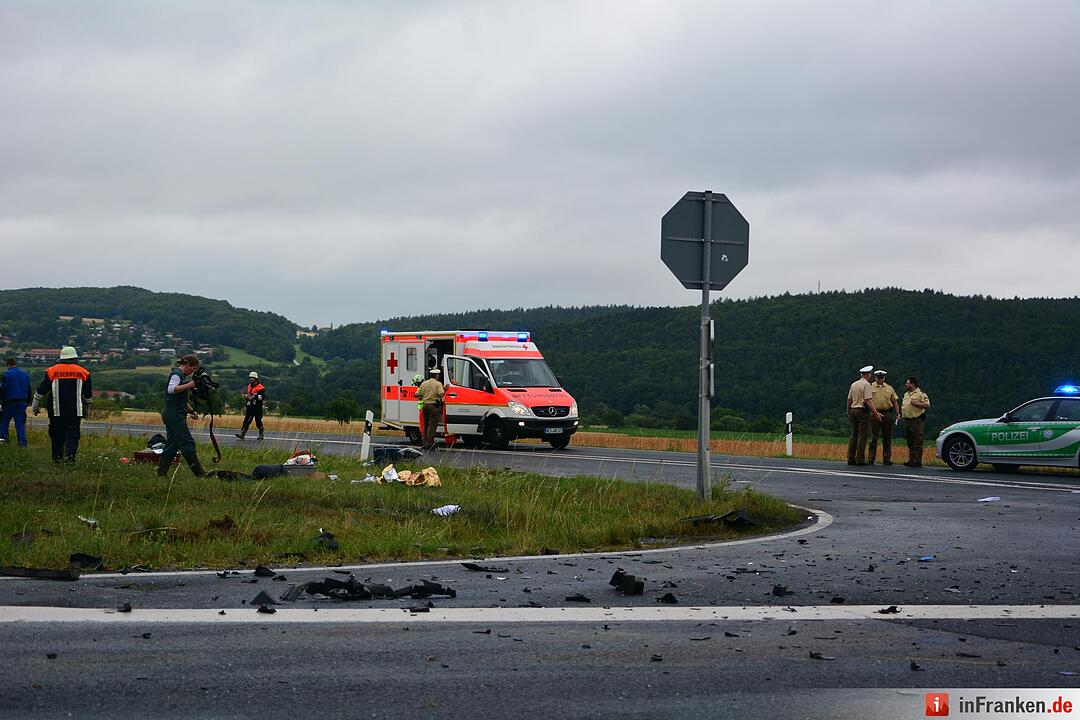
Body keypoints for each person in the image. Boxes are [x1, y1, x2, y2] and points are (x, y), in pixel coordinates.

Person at [31, 346, 92, 462]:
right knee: (73, 435)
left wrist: (35, 405)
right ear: (75, 358)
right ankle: (70, 458)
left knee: (56, 434)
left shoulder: (51, 371)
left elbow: (41, 390)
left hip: (56, 411)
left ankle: (57, 458)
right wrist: (87, 409)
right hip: (75, 411)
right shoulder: (84, 372)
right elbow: (87, 396)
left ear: (61, 358)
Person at [158, 354, 205, 477]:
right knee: (187, 441)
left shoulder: (181, 376)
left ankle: (161, 473)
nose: (192, 372)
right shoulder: (176, 374)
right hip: (174, 414)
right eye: (193, 369)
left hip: (172, 413)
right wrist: (190, 385)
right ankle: (200, 474)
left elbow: (181, 400)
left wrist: (191, 411)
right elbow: (171, 389)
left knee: (172, 444)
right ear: (188, 365)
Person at [846, 365, 883, 466]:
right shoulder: (866, 384)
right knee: (862, 436)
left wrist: (848, 411)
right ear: (867, 374)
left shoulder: (854, 384)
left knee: (853, 435)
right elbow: (868, 401)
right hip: (861, 411)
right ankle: (860, 458)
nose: (871, 375)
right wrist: (876, 414)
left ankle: (850, 458)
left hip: (853, 409)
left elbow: (849, 399)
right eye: (870, 373)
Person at [867, 369, 900, 465]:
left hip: (887, 413)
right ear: (875, 378)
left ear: (884, 378)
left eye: (881, 378)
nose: (880, 379)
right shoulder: (870, 387)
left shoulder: (889, 388)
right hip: (874, 413)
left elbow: (894, 402)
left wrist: (897, 414)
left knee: (887, 437)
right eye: (878, 377)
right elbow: (867, 401)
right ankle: (871, 457)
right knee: (873, 437)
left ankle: (886, 458)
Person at [0, 357, 32, 447]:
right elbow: (29, 390)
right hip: (22, 403)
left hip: (9, 403)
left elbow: (2, 388)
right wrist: (27, 402)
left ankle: (3, 442)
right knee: (20, 424)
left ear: (8, 365)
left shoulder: (7, 374)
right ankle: (22, 444)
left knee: (3, 422)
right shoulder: (25, 375)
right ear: (15, 364)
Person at [902, 376, 931, 467]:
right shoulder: (906, 394)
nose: (905, 385)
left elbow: (927, 405)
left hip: (916, 420)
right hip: (908, 420)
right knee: (910, 441)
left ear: (913, 384)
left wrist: (917, 404)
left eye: (907, 383)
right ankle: (911, 459)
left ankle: (917, 460)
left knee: (917, 440)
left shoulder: (920, 394)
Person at [416, 367, 445, 450]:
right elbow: (441, 393)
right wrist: (445, 390)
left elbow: (417, 394)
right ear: (437, 375)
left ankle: (425, 443)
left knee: (425, 425)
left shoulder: (424, 383)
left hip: (425, 406)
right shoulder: (438, 384)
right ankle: (429, 443)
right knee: (432, 425)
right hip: (434, 406)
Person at [235, 371, 266, 440]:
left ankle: (261, 434)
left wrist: (255, 397)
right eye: (250, 378)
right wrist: (246, 396)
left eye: (252, 378)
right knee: (247, 420)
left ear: (256, 378)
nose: (251, 379)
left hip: (257, 407)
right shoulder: (249, 386)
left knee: (258, 421)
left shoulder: (261, 388)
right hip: (250, 406)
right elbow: (247, 393)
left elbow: (262, 397)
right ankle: (242, 434)